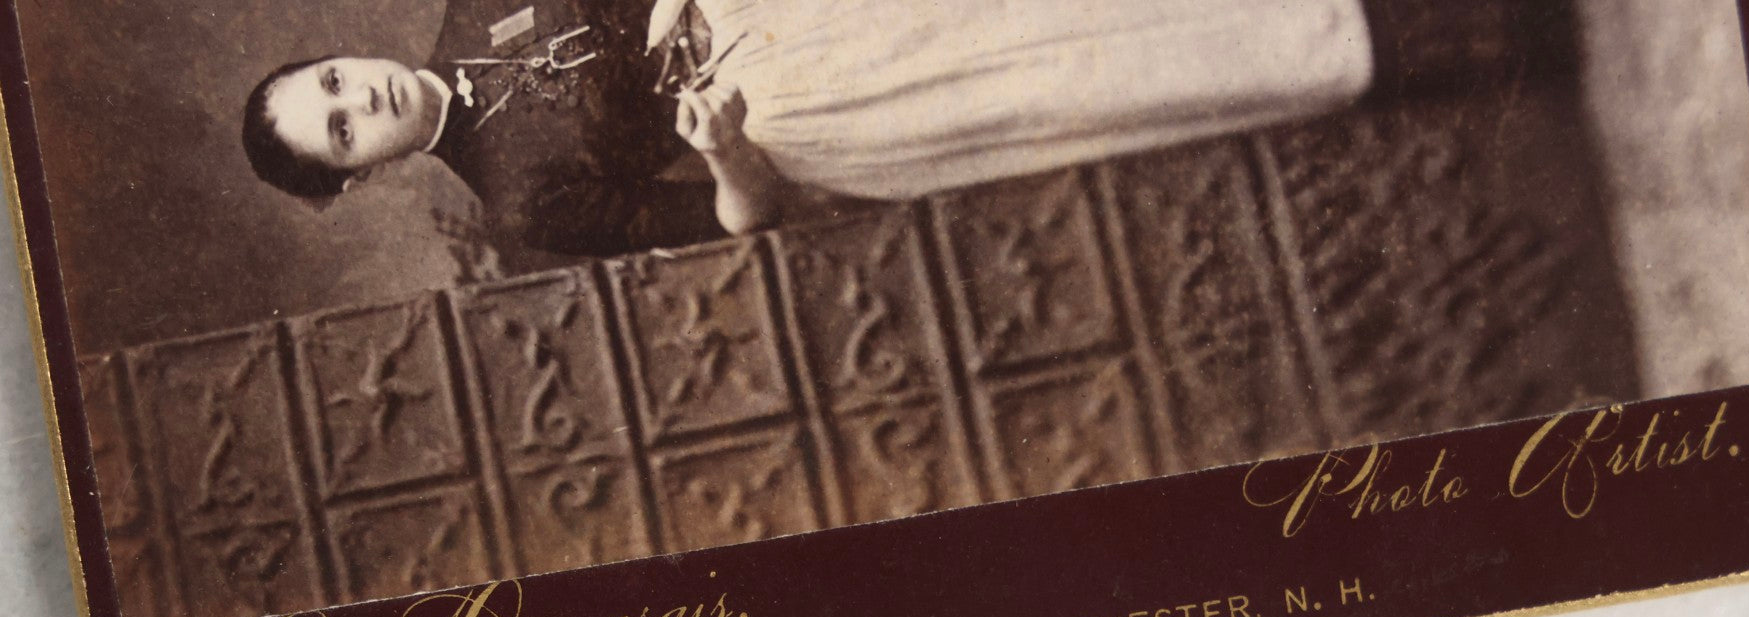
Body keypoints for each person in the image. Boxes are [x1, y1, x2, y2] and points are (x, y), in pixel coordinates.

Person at [244, 0, 1379, 268]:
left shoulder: (476, 1)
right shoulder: (530, 209)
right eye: (340, 132)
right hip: (805, 113)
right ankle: (1335, 39)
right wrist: (724, 144)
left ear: (343, 50)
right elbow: (742, 222)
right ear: (356, 178)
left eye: (336, 82)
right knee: (1056, 62)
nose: (364, 101)